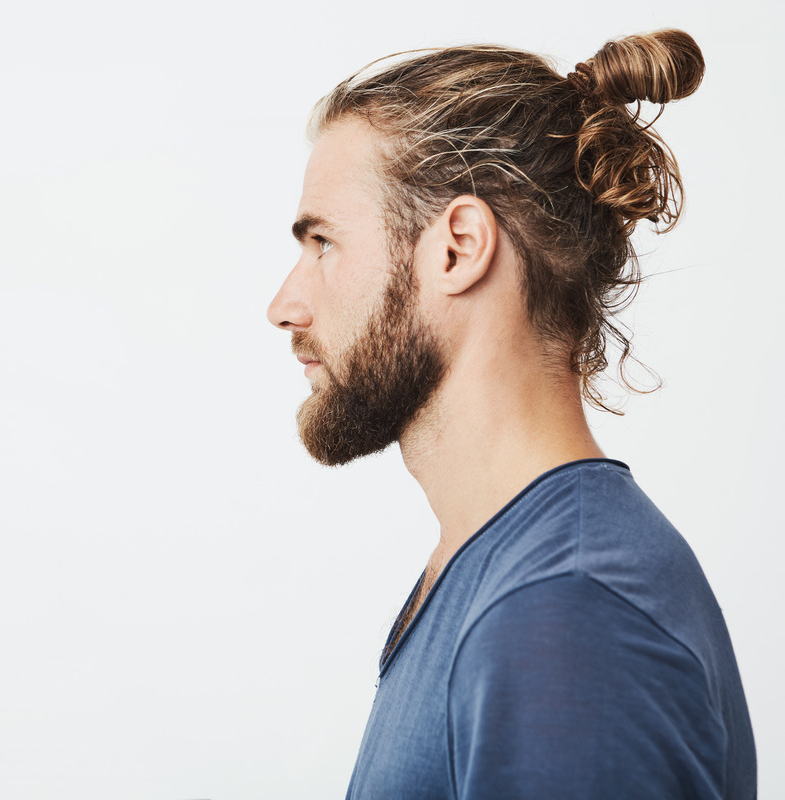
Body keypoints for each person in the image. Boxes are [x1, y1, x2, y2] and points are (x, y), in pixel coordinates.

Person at [267, 30, 756, 798]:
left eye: (323, 242)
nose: (284, 305)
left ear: (458, 248)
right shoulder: (510, 575)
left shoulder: (569, 614)